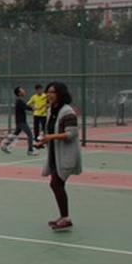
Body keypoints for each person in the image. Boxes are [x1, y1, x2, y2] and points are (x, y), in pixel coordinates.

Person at [35, 81, 82, 231]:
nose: (49, 94)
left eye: (53, 92)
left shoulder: (67, 111)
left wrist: (50, 137)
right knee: (57, 184)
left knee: (56, 183)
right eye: (48, 92)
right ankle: (64, 217)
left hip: (67, 154)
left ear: (60, 94)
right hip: (55, 154)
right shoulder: (51, 110)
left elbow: (71, 133)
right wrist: (43, 141)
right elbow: (50, 131)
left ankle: (66, 218)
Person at [0, 86, 35, 155]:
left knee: (15, 134)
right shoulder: (19, 101)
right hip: (21, 122)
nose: (24, 91)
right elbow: (27, 107)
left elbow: (27, 107)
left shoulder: (20, 100)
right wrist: (34, 108)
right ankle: (30, 151)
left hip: (20, 121)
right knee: (30, 135)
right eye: (22, 90)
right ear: (19, 93)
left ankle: (4, 145)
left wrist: (33, 108)